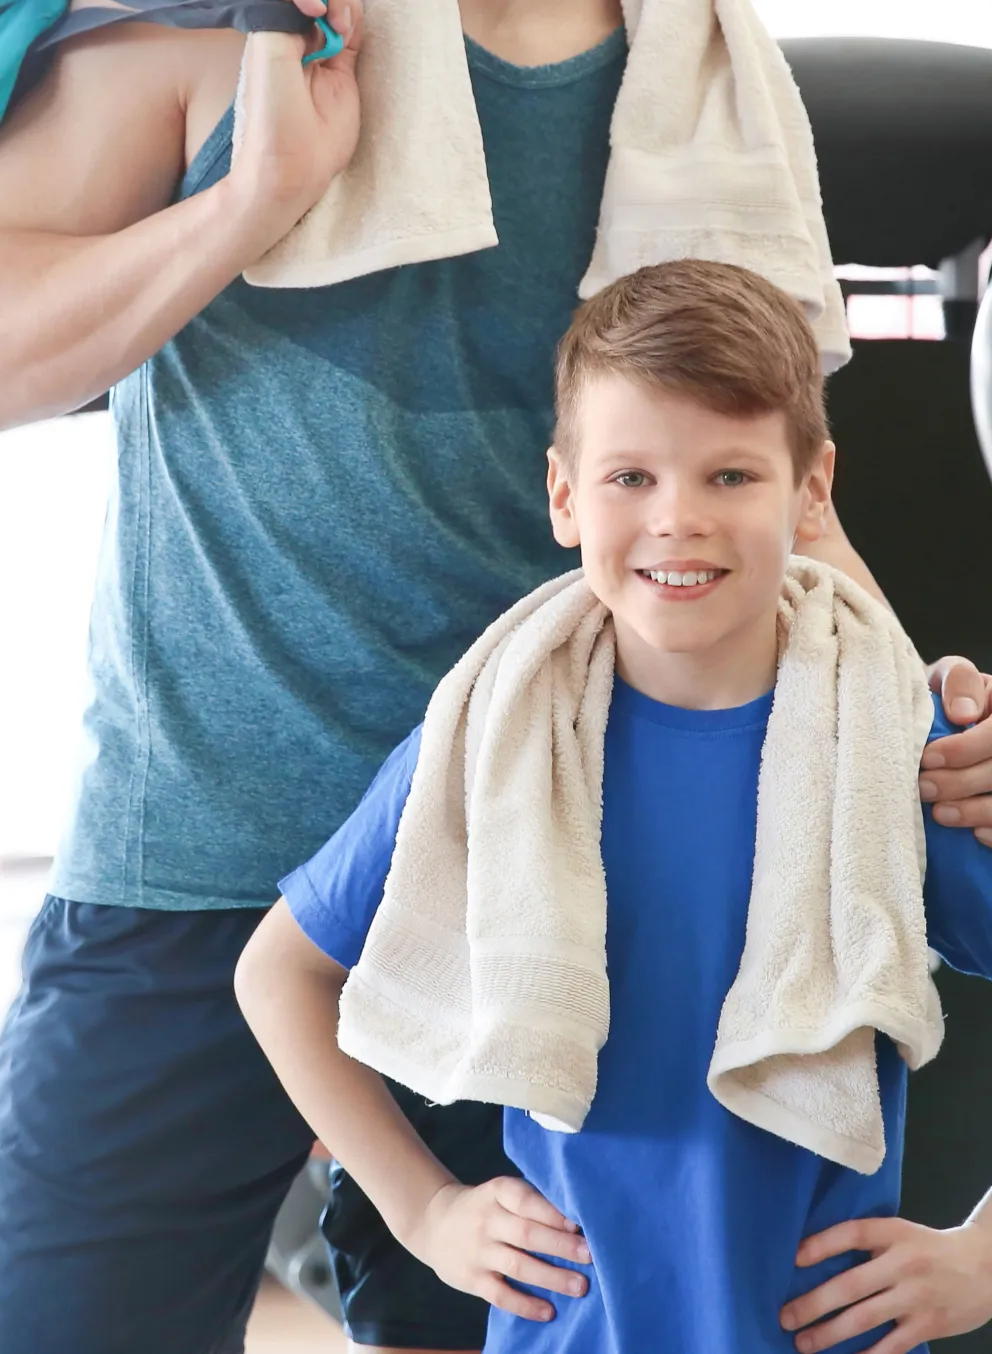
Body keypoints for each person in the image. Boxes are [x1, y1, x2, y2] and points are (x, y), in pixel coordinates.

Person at [0, 4, 991, 1353]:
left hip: (544, 868)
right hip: (206, 840)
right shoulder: (210, 26)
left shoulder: (708, 80)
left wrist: (922, 712)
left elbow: (762, 473)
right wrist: (252, 202)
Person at [235, 260, 992, 1354]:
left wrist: (977, 1257)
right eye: (629, 476)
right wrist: (425, 1210)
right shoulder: (489, 742)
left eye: (729, 475)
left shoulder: (894, 747)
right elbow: (278, 974)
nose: (675, 520)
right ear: (561, 493)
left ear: (810, 488)